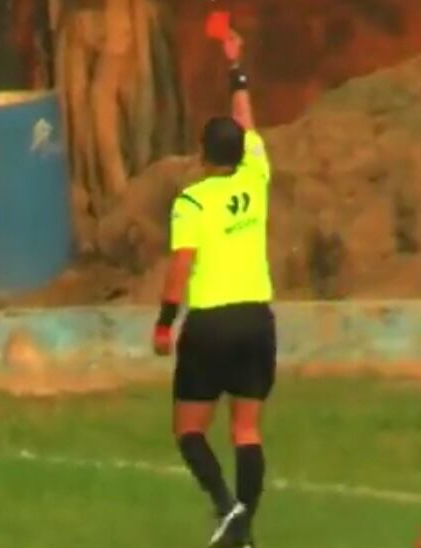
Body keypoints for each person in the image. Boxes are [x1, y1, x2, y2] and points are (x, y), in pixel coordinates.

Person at [152, 30, 273, 548]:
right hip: (256, 320)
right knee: (246, 430)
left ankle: (227, 509)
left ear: (203, 153)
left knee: (188, 430)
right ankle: (243, 531)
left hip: (211, 322)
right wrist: (236, 69)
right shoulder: (256, 177)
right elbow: (246, 121)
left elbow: (182, 264)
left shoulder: (193, 202)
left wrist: (164, 320)